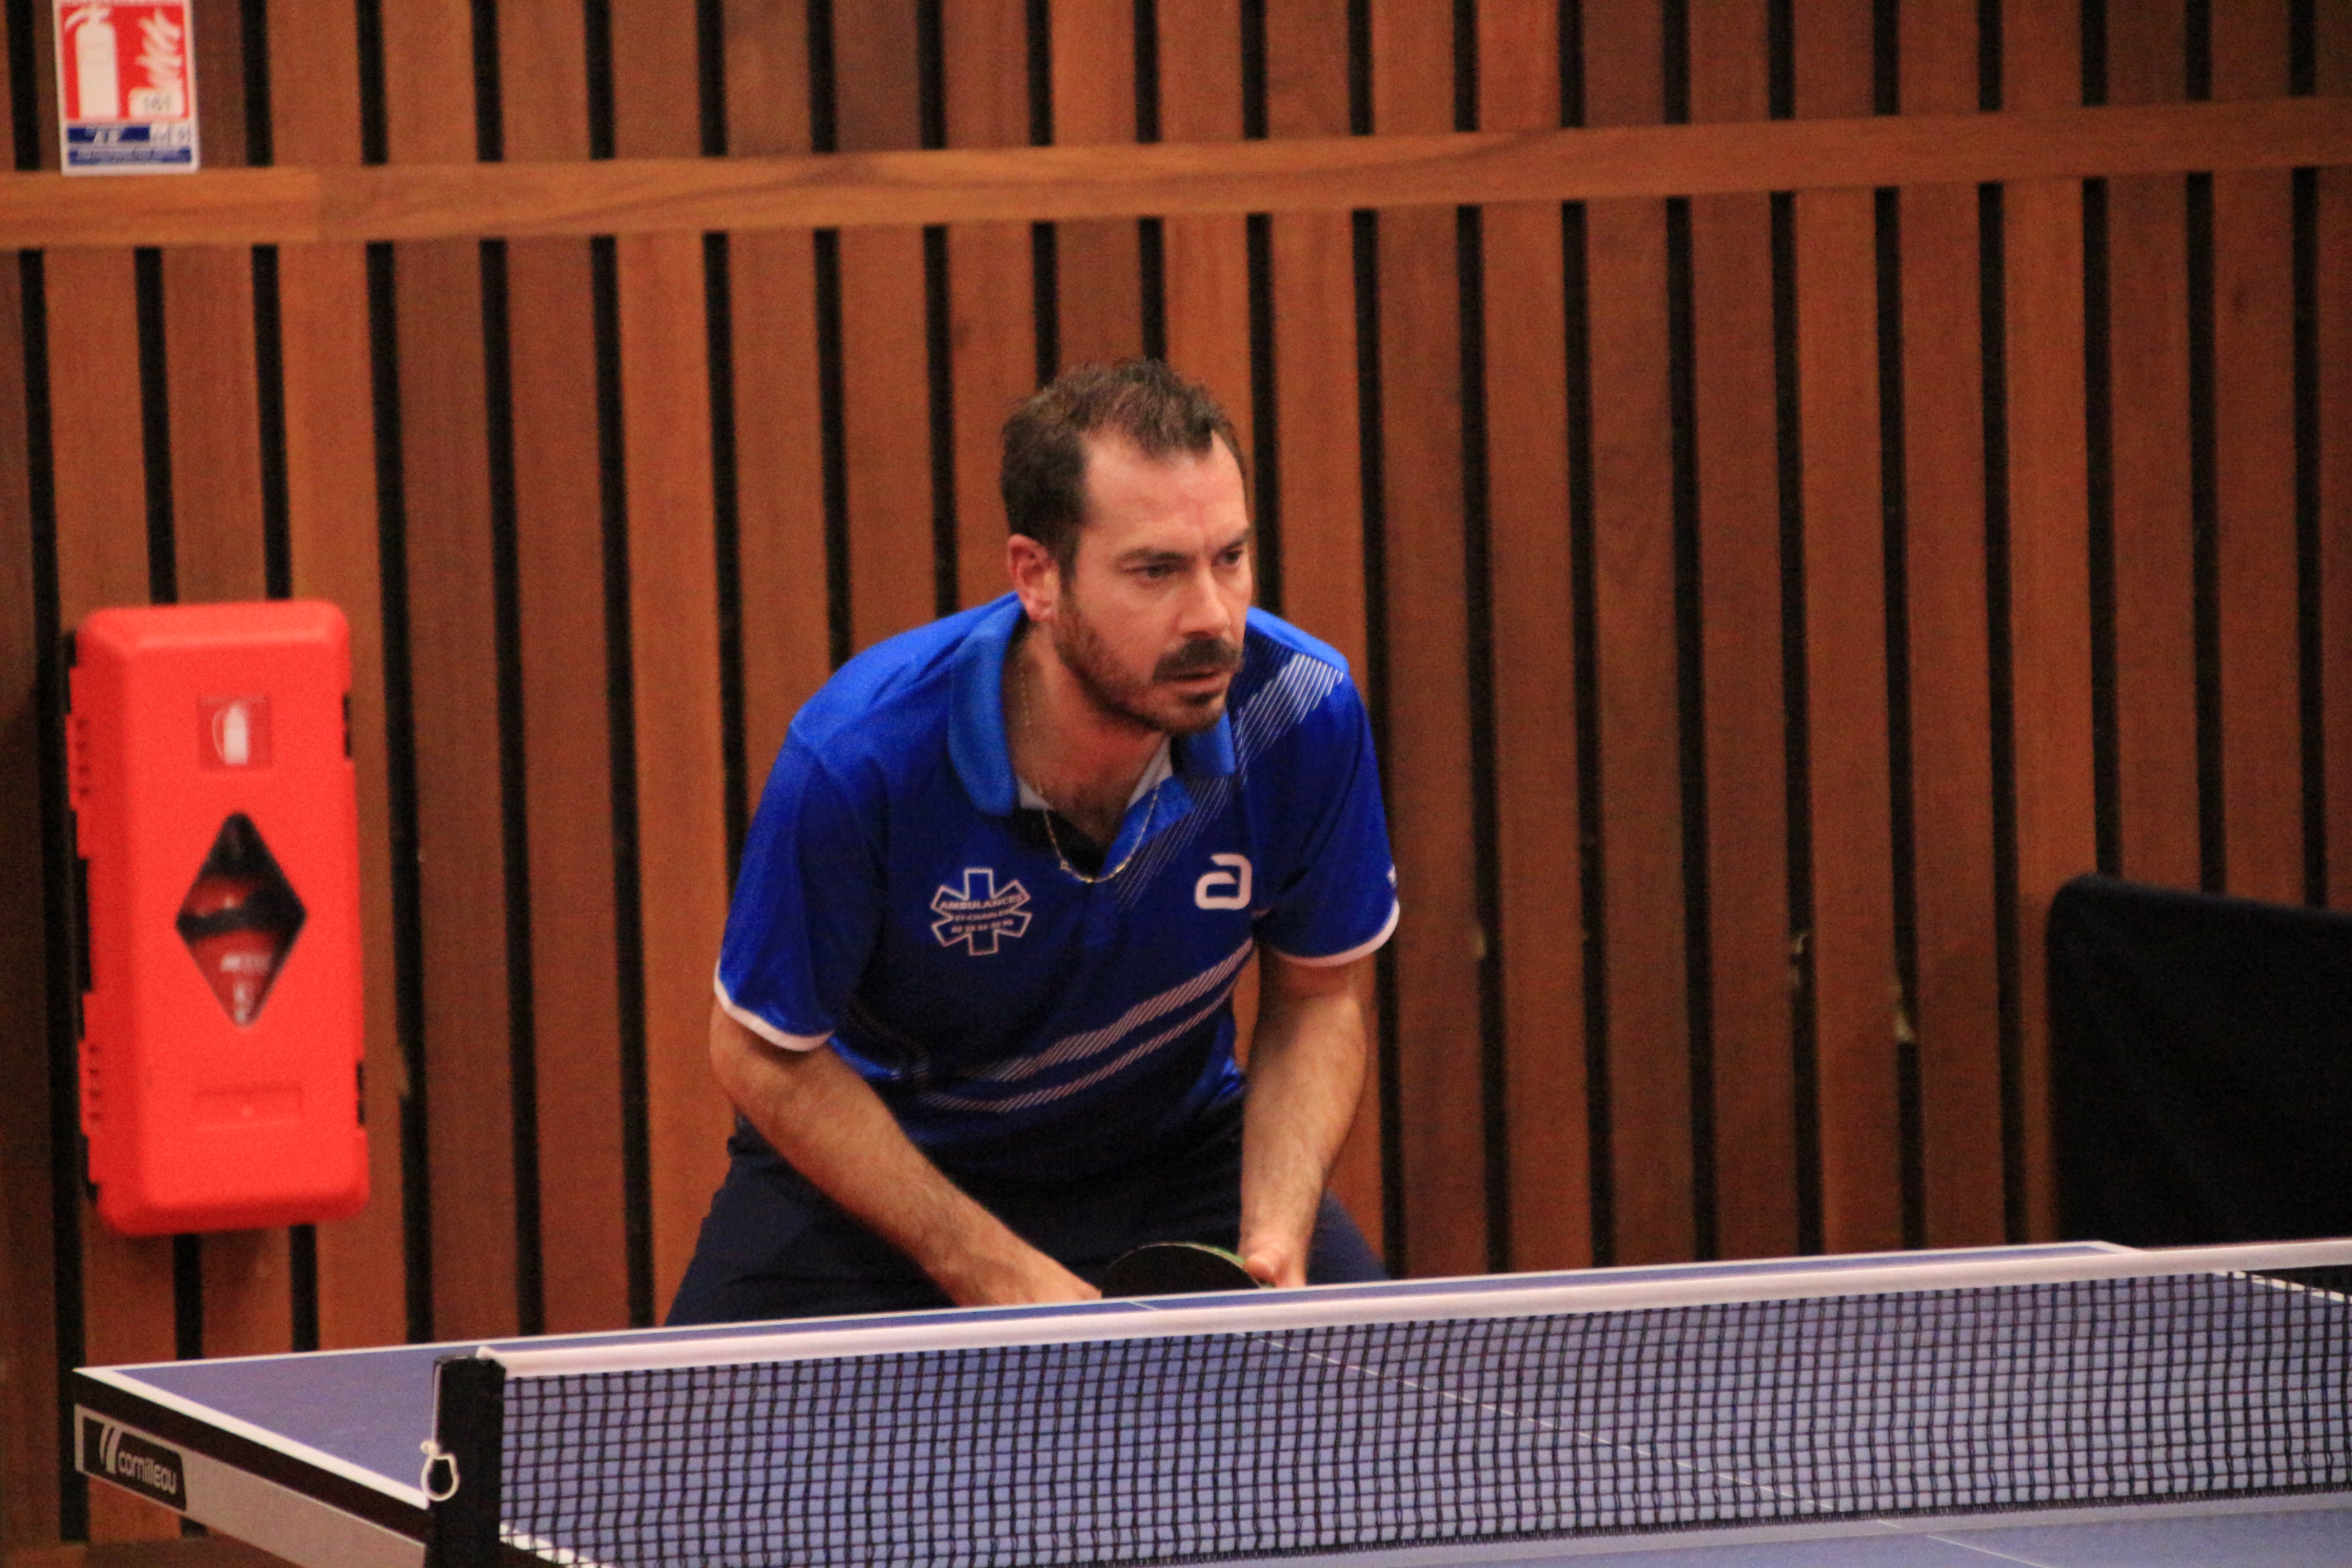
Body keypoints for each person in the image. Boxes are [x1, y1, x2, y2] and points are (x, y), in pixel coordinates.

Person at [668, 359, 1399, 1323]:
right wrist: (988, 1266)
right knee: (703, 1422)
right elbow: (762, 1053)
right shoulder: (863, 757)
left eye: (1229, 558)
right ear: (1037, 577)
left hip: (1171, 1156)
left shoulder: (1299, 710)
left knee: (1374, 1398)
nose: (1213, 618)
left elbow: (1316, 994)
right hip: (895, 1173)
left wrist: (1272, 1234)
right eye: (1156, 571)